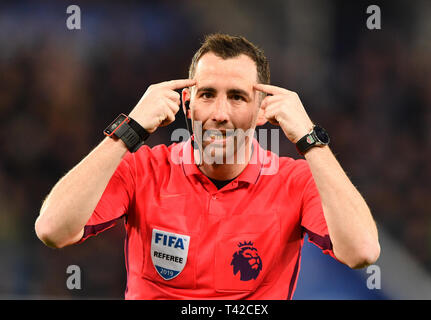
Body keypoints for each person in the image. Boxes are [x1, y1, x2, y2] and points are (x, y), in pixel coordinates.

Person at [35, 33, 380, 299]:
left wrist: (309, 140)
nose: (219, 114)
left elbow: (362, 251)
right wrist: (129, 131)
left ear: (263, 111)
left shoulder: (295, 181)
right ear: (188, 104)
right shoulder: (144, 169)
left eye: (237, 97)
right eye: (207, 94)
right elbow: (52, 229)